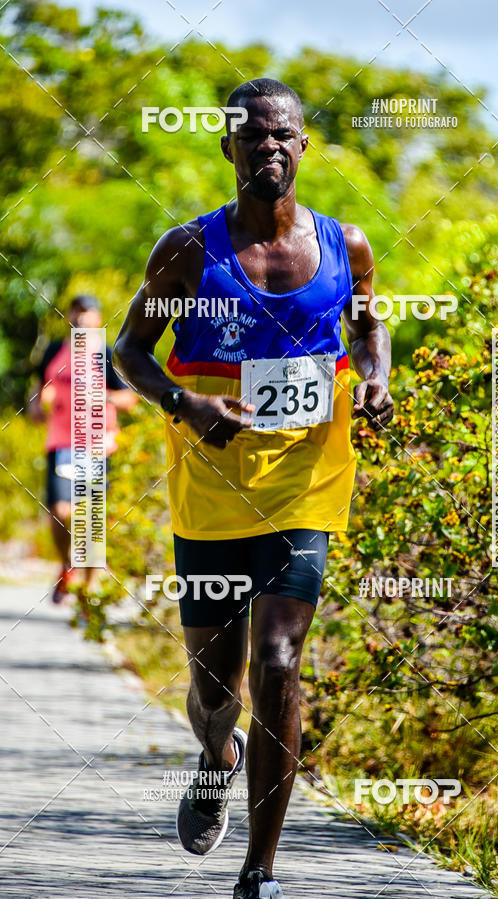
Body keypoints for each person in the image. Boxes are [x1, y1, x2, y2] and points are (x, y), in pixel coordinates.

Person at [113, 78, 393, 899]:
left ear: (304, 147)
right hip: (210, 489)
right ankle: (216, 755)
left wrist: (374, 379)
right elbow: (128, 353)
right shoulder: (188, 251)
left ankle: (260, 871)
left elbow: (372, 323)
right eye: (253, 136)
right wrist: (185, 402)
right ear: (228, 148)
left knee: (278, 660)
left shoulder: (348, 245)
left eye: (284, 136)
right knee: (214, 690)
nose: (270, 147)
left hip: (305, 482)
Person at [28, 295, 137, 604]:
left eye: (87, 313)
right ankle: (67, 565)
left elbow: (130, 399)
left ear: (98, 318)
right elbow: (39, 390)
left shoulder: (105, 355)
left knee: (93, 518)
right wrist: (36, 407)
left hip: (98, 447)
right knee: (60, 512)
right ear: (69, 316)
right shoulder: (53, 351)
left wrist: (101, 398)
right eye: (76, 312)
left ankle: (88, 590)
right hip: (61, 443)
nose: (81, 319)